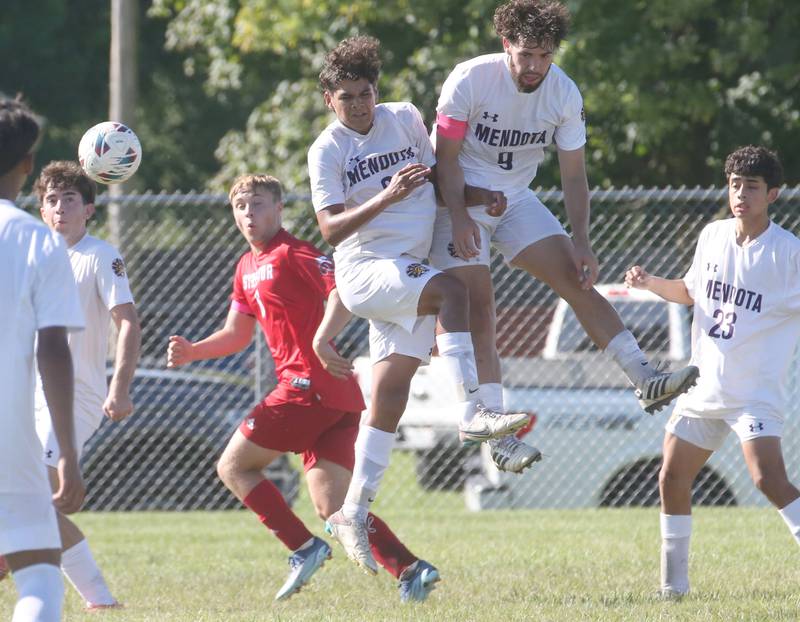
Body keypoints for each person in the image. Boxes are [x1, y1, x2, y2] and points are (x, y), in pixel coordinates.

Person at [432, 0, 700, 469]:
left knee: (577, 280)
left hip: (515, 200)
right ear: (505, 46)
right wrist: (458, 215)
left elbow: (574, 176)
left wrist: (582, 240)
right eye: (525, 54)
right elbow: (445, 162)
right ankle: (496, 432)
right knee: (481, 306)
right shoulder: (469, 79)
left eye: (545, 55)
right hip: (461, 198)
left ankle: (644, 377)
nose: (535, 65)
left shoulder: (564, 93)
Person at [307, 35, 534, 575]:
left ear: (376, 90)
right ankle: (473, 412)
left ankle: (353, 511)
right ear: (328, 100)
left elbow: (434, 180)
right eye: (347, 96)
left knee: (388, 398)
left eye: (365, 93)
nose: (359, 104)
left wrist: (476, 199)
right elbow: (329, 228)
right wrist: (383, 196)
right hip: (366, 269)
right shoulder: (328, 149)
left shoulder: (405, 118)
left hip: (405, 271)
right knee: (453, 293)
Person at [167, 174, 439, 603]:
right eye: (240, 207)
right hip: (334, 398)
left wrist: (321, 340)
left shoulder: (295, 253)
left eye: (257, 204)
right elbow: (237, 334)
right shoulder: (246, 267)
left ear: (279, 209)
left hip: (306, 388)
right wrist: (193, 351)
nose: (248, 214)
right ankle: (411, 570)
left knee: (233, 467)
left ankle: (304, 547)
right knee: (333, 507)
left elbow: (343, 291)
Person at [625, 145, 800, 598]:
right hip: (704, 387)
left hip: (753, 393)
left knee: (768, 480)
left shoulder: (786, 254)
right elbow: (689, 291)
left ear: (774, 194)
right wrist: (650, 284)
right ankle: (673, 589)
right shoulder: (713, 235)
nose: (741, 194)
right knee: (671, 477)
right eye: (735, 184)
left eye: (753, 187)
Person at [30, 161, 141, 611]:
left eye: (69, 199)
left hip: (77, 397)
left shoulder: (99, 254)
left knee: (35, 493)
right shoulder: (32, 258)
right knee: (32, 499)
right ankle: (97, 598)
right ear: (40, 210)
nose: (60, 209)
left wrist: (120, 387)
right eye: (51, 201)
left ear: (89, 210)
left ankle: (98, 596)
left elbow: (128, 323)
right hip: (30, 396)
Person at [0, 96, 85, 622]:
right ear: (28, 163)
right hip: (9, 438)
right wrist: (69, 453)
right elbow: (53, 349)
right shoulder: (36, 239)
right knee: (38, 576)